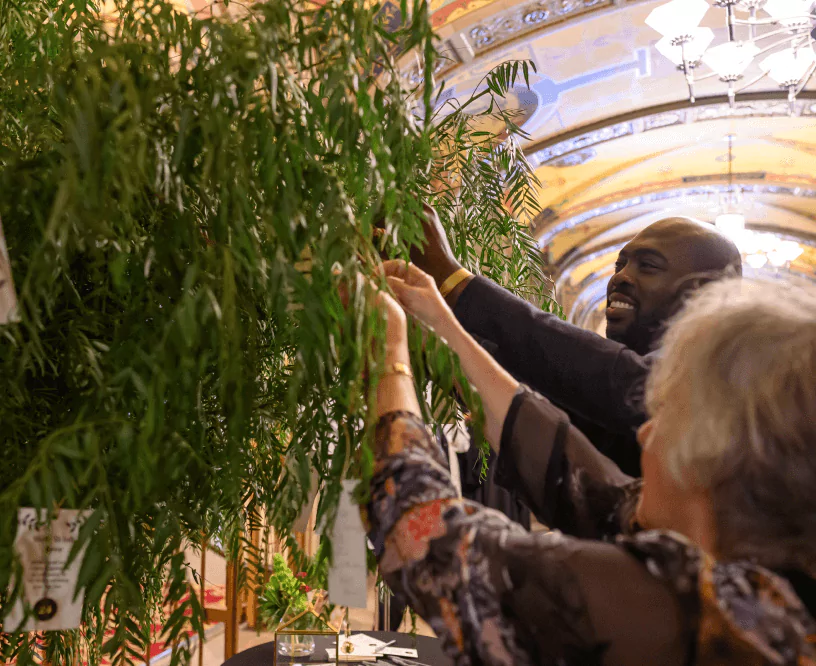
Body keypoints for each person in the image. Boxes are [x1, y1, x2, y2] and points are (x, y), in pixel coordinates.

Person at [362, 263, 816, 665]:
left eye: (665, 415)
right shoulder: (772, 582)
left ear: (714, 452)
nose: (644, 433)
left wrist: (388, 354)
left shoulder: (696, 614)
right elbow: (581, 481)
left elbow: (434, 546)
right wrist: (444, 324)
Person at [410, 206, 742, 477]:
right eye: (620, 264)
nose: (621, 276)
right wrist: (429, 340)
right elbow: (559, 421)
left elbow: (632, 385)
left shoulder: (724, 376)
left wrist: (456, 283)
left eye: (648, 266)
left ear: (702, 294)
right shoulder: (627, 416)